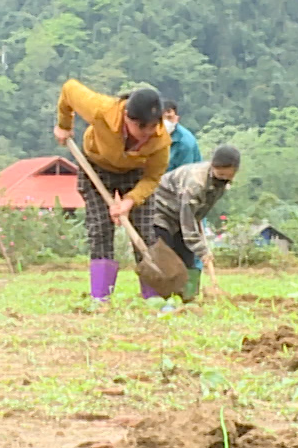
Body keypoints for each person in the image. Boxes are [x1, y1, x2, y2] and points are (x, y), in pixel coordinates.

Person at [54, 81, 172, 303]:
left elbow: (152, 177)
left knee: (144, 231)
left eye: (151, 129)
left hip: (135, 171)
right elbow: (69, 90)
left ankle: (152, 296)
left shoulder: (161, 141)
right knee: (100, 228)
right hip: (96, 166)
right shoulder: (101, 109)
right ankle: (101, 297)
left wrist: (129, 201)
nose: (145, 136)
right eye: (141, 128)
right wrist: (64, 125)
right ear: (127, 116)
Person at [141, 145, 241, 302]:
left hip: (183, 211)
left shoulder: (222, 182)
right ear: (212, 166)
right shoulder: (195, 183)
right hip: (160, 210)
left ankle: (187, 298)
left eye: (227, 175)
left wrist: (199, 243)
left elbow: (197, 212)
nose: (223, 178)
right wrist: (203, 251)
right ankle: (159, 299)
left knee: (188, 256)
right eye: (219, 174)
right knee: (164, 255)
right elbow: (187, 219)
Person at [162, 100, 202, 171]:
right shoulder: (152, 135)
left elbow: (184, 176)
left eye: (169, 118)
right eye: (161, 119)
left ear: (176, 118)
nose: (165, 122)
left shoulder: (185, 142)